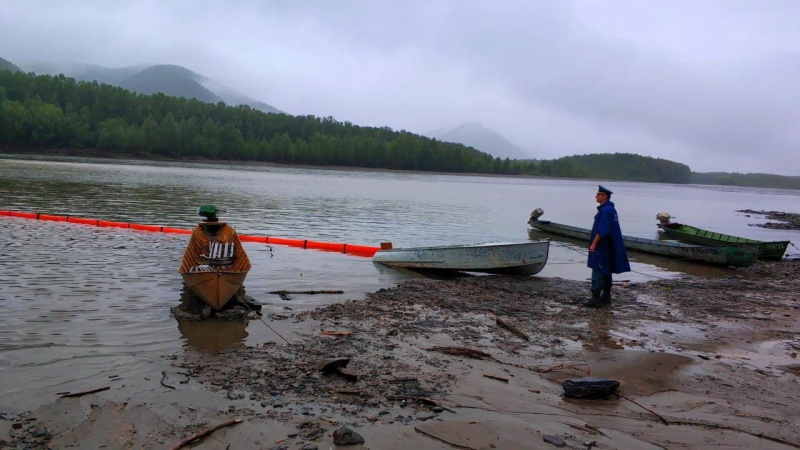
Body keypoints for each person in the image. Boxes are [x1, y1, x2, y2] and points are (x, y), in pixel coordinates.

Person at [585, 185, 630, 307]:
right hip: (609, 246)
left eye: (598, 194)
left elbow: (602, 231)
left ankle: (595, 297)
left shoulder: (605, 211)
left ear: (604, 196)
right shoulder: (611, 209)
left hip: (602, 245)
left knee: (598, 268)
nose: (596, 196)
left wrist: (594, 244)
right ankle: (606, 295)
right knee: (606, 269)